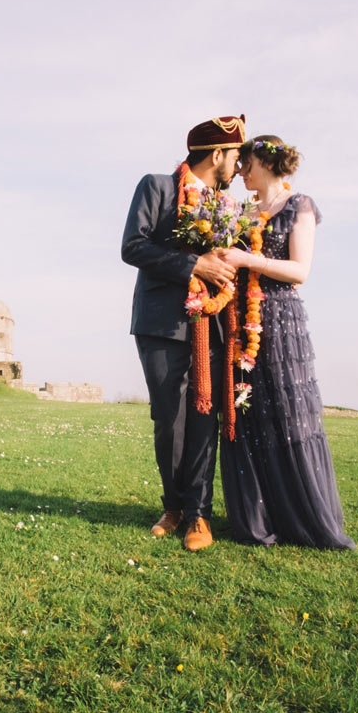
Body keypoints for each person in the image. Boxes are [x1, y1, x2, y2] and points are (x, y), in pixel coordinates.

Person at [218, 135, 356, 549]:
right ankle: (258, 518)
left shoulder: (300, 206)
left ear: (265, 162)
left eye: (247, 164)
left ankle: (304, 518)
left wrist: (247, 259)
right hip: (241, 321)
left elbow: (300, 270)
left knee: (289, 414)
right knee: (248, 413)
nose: (241, 171)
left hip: (280, 320)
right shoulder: (241, 213)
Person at [121, 115, 245, 551]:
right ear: (217, 155)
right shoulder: (156, 186)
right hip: (160, 323)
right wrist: (194, 264)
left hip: (211, 325)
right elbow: (132, 247)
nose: (238, 165)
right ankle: (173, 506)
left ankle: (199, 515)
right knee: (168, 419)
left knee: (203, 418)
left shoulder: (227, 206)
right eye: (234, 156)